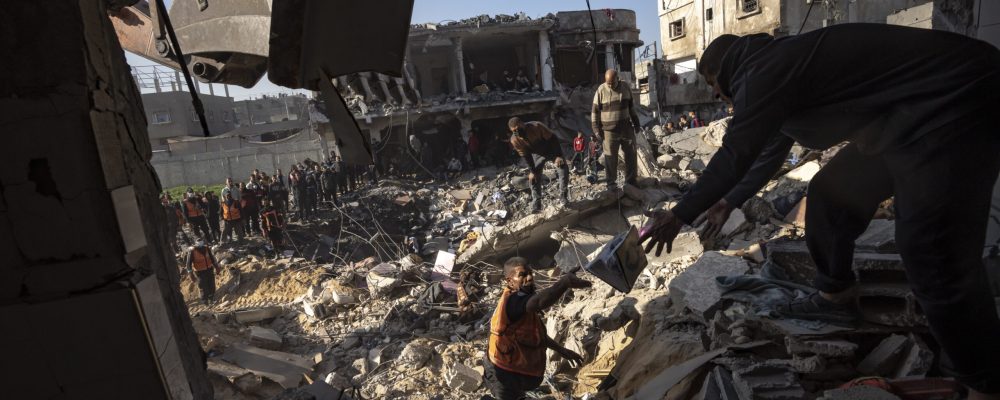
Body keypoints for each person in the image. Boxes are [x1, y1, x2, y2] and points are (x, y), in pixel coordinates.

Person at [638, 25, 1000, 399]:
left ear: (724, 70)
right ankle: (835, 295)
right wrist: (729, 200)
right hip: (897, 124)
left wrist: (679, 214)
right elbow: (768, 153)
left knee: (931, 250)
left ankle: (984, 382)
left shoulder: (763, 73)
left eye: (712, 82)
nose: (715, 93)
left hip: (954, 103)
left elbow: (735, 154)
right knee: (829, 194)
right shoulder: (773, 72)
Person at [484, 257, 589, 400]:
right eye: (522, 275)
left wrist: (562, 350)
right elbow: (539, 302)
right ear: (509, 281)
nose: (529, 278)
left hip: (511, 371)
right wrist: (564, 284)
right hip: (501, 372)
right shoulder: (513, 301)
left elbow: (535, 336)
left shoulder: (522, 301)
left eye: (530, 273)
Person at [592, 69, 640, 192]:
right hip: (609, 131)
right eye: (608, 83)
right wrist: (596, 129)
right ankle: (611, 184)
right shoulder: (600, 90)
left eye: (612, 83)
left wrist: (636, 122)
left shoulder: (625, 87)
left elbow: (631, 107)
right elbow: (595, 112)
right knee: (610, 158)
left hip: (626, 128)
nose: (610, 85)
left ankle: (631, 182)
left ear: (617, 79)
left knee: (631, 154)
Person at [508, 117, 569, 213]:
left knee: (562, 168)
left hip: (550, 149)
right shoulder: (515, 140)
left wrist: (558, 155)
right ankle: (537, 204)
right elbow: (526, 155)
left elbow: (553, 139)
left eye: (517, 128)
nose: (516, 132)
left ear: (522, 124)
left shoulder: (536, 126)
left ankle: (563, 196)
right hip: (537, 155)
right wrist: (533, 171)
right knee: (533, 178)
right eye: (513, 131)